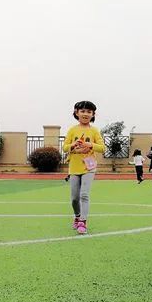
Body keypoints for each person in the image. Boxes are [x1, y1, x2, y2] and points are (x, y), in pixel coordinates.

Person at [62, 100, 105, 234]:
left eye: (89, 112)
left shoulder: (94, 131)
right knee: (74, 198)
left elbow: (102, 148)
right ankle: (77, 216)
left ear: (93, 114)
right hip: (74, 167)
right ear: (76, 112)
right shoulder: (72, 130)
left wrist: (90, 145)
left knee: (84, 194)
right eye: (83, 111)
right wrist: (73, 145)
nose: (86, 114)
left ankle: (83, 222)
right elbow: (64, 148)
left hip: (89, 167)